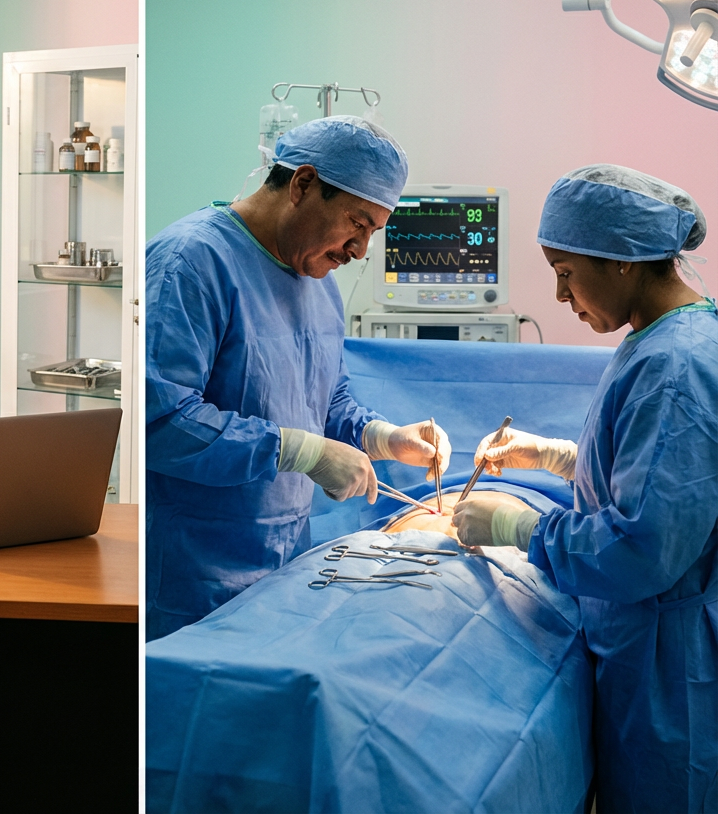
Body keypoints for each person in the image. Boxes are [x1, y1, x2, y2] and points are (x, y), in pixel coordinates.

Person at [451, 165, 718, 814]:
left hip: (672, 672)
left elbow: (643, 546)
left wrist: (519, 527)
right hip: (651, 647)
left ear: (622, 260)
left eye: (566, 272)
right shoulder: (666, 340)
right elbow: (668, 476)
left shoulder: (676, 364)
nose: (560, 294)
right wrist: (557, 457)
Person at [146, 116, 452, 640]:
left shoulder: (317, 278)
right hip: (192, 577)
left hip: (282, 570)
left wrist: (384, 437)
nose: (360, 251)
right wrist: (300, 451)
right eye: (357, 224)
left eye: (373, 233)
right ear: (303, 184)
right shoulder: (191, 263)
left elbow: (325, 401)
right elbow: (162, 421)